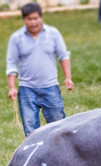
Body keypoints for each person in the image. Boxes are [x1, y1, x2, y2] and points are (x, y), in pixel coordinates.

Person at [6, 2, 74, 136]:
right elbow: (12, 63)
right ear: (24, 19)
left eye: (35, 18)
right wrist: (12, 86)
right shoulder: (16, 38)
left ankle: (59, 155)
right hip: (27, 90)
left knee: (58, 127)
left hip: (50, 87)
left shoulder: (53, 33)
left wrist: (68, 77)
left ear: (41, 17)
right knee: (31, 132)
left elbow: (63, 56)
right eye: (29, 19)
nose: (32, 22)